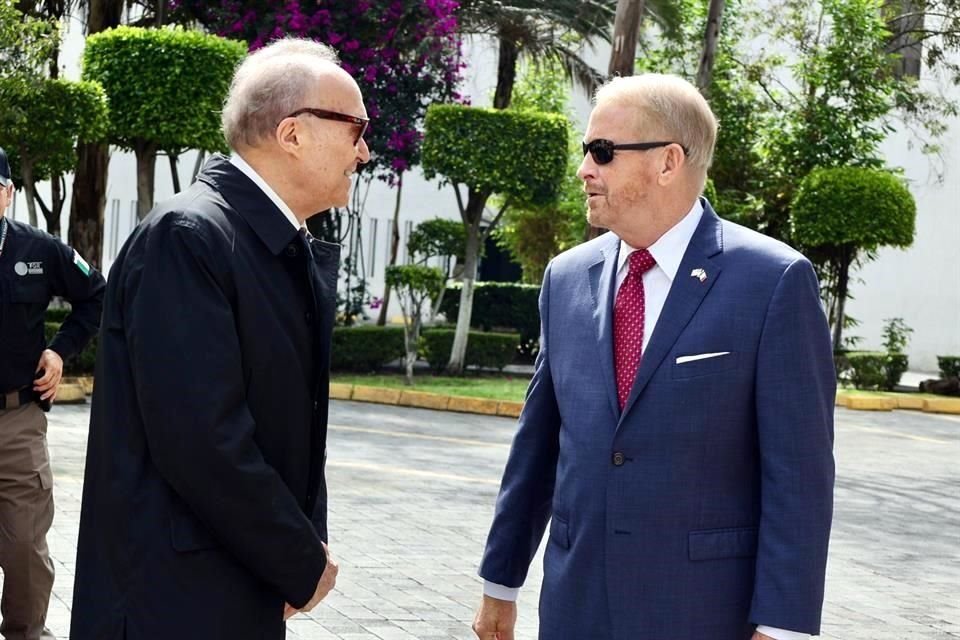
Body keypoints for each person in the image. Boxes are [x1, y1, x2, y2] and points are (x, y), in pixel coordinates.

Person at [473, 74, 835, 640]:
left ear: (668, 162)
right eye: (585, 151)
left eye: (602, 152)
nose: (584, 169)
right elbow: (537, 449)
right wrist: (501, 584)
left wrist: (782, 626)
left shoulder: (773, 281)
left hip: (702, 613)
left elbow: (799, 476)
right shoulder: (566, 278)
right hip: (576, 606)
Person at [70, 38, 369, 639]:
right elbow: (201, 440)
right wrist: (298, 558)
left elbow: (295, 423)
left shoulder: (272, 245)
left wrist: (298, 548)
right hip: (173, 599)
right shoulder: (189, 237)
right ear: (292, 134)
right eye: (356, 128)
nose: (364, 151)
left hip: (233, 582)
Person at [0, 146, 105, 640]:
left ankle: (25, 633)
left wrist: (62, 350)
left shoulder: (39, 250)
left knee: (23, 545)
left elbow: (96, 295)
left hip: (15, 418)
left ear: (9, 193)